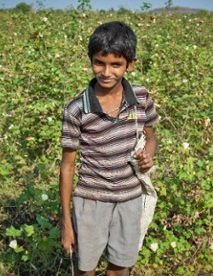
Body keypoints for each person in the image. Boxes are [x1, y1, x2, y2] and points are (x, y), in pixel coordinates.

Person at [59, 21, 159, 276]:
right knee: (86, 268)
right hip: (90, 201)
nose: (106, 72)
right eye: (99, 63)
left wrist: (148, 154)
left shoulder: (141, 98)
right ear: (90, 60)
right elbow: (67, 165)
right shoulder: (76, 110)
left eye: (116, 64)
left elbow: (151, 137)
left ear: (130, 64)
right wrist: (66, 223)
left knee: (120, 266)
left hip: (130, 199)